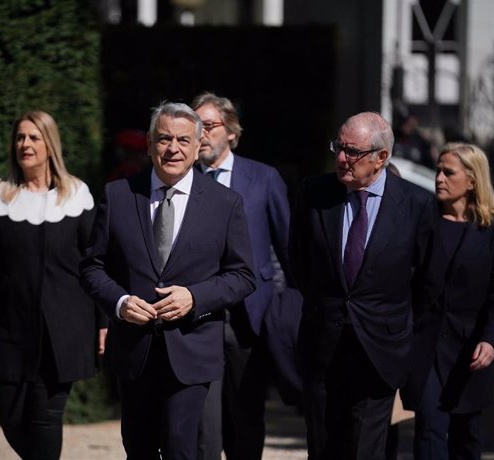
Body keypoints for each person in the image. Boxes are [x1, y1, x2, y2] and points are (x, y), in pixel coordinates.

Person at [80, 101, 256, 459]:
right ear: (148, 144)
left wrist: (195, 297)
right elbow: (91, 267)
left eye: (181, 140)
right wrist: (120, 303)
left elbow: (243, 275)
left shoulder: (226, 204)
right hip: (134, 350)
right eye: (163, 139)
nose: (172, 148)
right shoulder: (118, 196)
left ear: (196, 147)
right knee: (139, 449)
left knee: (180, 448)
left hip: (192, 349)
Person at [288, 111, 445, 460]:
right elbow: (298, 262)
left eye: (353, 151)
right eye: (339, 147)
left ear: (381, 158)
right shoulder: (315, 194)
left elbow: (429, 286)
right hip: (323, 347)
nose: (342, 158)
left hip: (380, 352)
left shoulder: (417, 205)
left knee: (366, 452)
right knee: (323, 448)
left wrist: (403, 336)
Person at [0, 110, 106, 459]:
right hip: (10, 328)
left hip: (64, 331)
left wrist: (104, 321)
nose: (25, 144)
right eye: (20, 137)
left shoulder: (78, 195)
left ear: (49, 144)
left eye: (33, 137)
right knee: (11, 419)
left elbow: (96, 264)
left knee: (45, 419)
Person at [191, 92, 299, 460]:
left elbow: (289, 249)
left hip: (249, 317)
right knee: (203, 421)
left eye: (208, 125)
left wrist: (287, 311)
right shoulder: (182, 180)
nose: (200, 134)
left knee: (246, 417)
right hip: (197, 314)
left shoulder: (263, 178)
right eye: (195, 126)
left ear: (232, 133)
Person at [409, 143, 494, 459]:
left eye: (448, 172)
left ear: (472, 180)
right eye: (438, 171)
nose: (439, 178)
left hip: (470, 348)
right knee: (429, 431)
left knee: (466, 437)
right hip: (426, 346)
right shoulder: (424, 220)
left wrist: (491, 340)